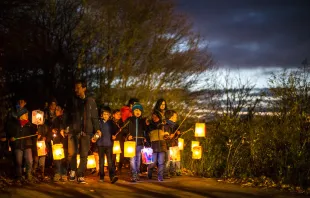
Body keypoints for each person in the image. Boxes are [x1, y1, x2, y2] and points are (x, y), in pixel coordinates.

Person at [66, 79, 101, 184]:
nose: (76, 90)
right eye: (75, 88)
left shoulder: (90, 101)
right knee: (72, 153)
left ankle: (80, 174)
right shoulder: (72, 100)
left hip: (87, 131)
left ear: (84, 88)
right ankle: (72, 170)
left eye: (78, 87)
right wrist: (65, 126)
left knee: (84, 154)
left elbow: (95, 117)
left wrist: (97, 129)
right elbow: (67, 115)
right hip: (74, 130)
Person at [7, 108, 36, 184]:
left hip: (27, 145)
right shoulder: (15, 124)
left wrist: (37, 132)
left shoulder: (29, 124)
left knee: (29, 160)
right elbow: (10, 132)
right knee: (18, 162)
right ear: (21, 115)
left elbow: (34, 133)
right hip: (18, 145)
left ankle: (28, 174)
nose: (27, 115)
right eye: (25, 114)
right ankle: (19, 176)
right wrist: (11, 137)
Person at [123, 103, 147, 182]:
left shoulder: (143, 121)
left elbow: (145, 130)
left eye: (139, 110)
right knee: (132, 159)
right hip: (131, 143)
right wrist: (128, 135)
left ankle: (137, 172)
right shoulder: (129, 120)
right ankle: (133, 173)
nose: (138, 112)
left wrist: (145, 137)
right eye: (136, 110)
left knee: (138, 159)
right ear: (133, 111)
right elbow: (124, 129)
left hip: (140, 143)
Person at [94, 106, 118, 184]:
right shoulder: (99, 122)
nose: (105, 116)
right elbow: (96, 132)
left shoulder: (111, 123)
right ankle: (101, 176)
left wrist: (114, 136)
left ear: (109, 115)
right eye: (104, 114)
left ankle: (112, 176)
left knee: (110, 161)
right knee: (101, 161)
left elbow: (115, 131)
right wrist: (95, 138)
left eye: (107, 114)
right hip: (100, 144)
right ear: (102, 115)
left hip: (109, 144)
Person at [146, 111, 168, 182]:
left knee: (161, 162)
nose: (154, 118)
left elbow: (167, 134)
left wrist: (166, 136)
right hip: (153, 145)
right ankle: (149, 169)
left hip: (162, 145)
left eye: (156, 116)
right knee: (153, 162)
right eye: (153, 116)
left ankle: (160, 177)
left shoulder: (163, 125)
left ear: (159, 116)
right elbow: (147, 135)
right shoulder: (150, 126)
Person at [49, 105, 67, 182]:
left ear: (61, 111)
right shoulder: (54, 120)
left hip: (63, 141)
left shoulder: (64, 119)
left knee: (63, 158)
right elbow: (51, 128)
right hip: (56, 141)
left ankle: (63, 174)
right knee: (56, 158)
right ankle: (57, 173)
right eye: (55, 110)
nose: (56, 111)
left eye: (58, 110)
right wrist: (53, 130)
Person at [164, 110, 182, 178]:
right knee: (168, 159)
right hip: (168, 144)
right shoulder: (165, 125)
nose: (176, 118)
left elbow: (179, 134)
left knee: (176, 158)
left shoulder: (177, 125)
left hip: (175, 143)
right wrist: (168, 136)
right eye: (175, 116)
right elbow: (164, 135)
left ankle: (175, 171)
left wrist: (178, 134)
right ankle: (165, 173)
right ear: (171, 117)